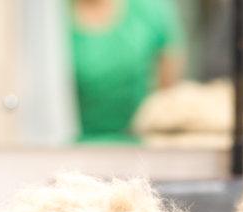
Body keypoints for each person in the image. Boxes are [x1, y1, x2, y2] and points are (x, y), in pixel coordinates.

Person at [70, 0, 183, 143]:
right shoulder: (50, 14)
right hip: (67, 147)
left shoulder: (151, 8)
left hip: (142, 145)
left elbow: (167, 99)